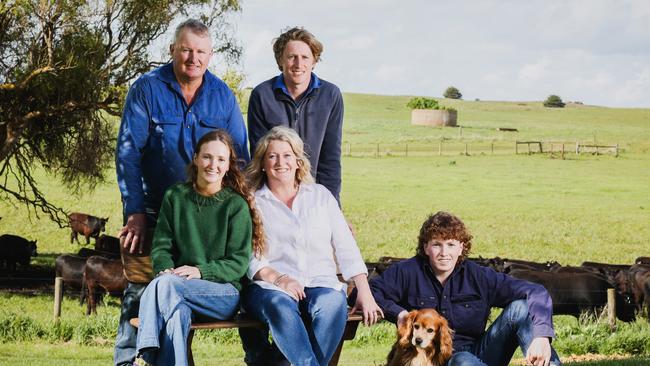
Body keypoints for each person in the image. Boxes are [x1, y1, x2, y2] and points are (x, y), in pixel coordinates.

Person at [114, 18, 249, 366]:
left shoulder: (221, 96)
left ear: (211, 55)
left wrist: (235, 210)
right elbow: (128, 153)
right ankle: (128, 360)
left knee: (173, 293)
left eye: (201, 51)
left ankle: (155, 357)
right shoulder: (146, 89)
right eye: (186, 49)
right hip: (154, 210)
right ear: (173, 49)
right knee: (141, 285)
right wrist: (136, 213)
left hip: (208, 214)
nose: (193, 57)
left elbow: (241, 158)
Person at [240, 126, 382, 366]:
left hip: (320, 282)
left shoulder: (320, 196)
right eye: (272, 156)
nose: (280, 162)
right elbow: (251, 257)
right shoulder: (253, 201)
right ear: (263, 163)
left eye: (287, 155)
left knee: (333, 304)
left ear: (298, 162)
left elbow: (345, 245)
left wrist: (364, 292)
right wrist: (280, 279)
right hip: (269, 288)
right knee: (280, 306)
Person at [135, 130, 263, 366]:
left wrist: (200, 271)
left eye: (221, 160)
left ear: (227, 166)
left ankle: (144, 357)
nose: (213, 164)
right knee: (176, 315)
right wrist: (164, 269)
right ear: (195, 158)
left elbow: (238, 263)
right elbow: (162, 246)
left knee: (164, 286)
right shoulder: (176, 196)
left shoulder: (235, 205)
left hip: (224, 295)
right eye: (207, 157)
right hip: (177, 290)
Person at [368, 211, 562, 366]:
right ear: (426, 247)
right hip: (432, 358)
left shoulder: (479, 276)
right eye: (437, 245)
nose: (444, 253)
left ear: (461, 248)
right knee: (461, 360)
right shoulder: (407, 272)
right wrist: (399, 314)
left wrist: (542, 336)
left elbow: (536, 291)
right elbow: (366, 293)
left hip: (480, 353)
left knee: (520, 308)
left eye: (451, 245)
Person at [247, 27, 343, 203]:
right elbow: (259, 156)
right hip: (273, 195)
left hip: (313, 194)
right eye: (292, 57)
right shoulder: (262, 95)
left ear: (314, 61)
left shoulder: (331, 95)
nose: (299, 64)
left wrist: (333, 208)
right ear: (280, 60)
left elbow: (330, 159)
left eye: (305, 57)